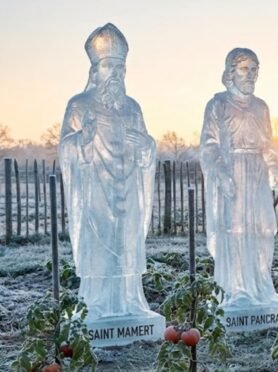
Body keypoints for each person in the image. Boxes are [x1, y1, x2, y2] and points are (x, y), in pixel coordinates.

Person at [59, 23, 157, 319]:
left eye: (120, 67)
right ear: (94, 71)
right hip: (96, 193)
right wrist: (82, 139)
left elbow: (147, 148)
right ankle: (96, 304)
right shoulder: (79, 105)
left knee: (127, 245)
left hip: (128, 191)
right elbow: (65, 148)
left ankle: (130, 302)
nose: (115, 73)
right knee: (99, 248)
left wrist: (147, 146)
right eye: (108, 66)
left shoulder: (132, 108)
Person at [199, 48, 278, 308]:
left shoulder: (261, 107)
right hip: (233, 172)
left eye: (255, 69)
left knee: (261, 230)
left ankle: (261, 287)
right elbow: (209, 144)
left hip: (257, 174)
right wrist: (221, 172)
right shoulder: (218, 104)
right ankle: (235, 289)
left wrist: (274, 166)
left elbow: (268, 142)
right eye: (245, 68)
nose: (251, 74)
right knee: (235, 230)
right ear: (231, 72)